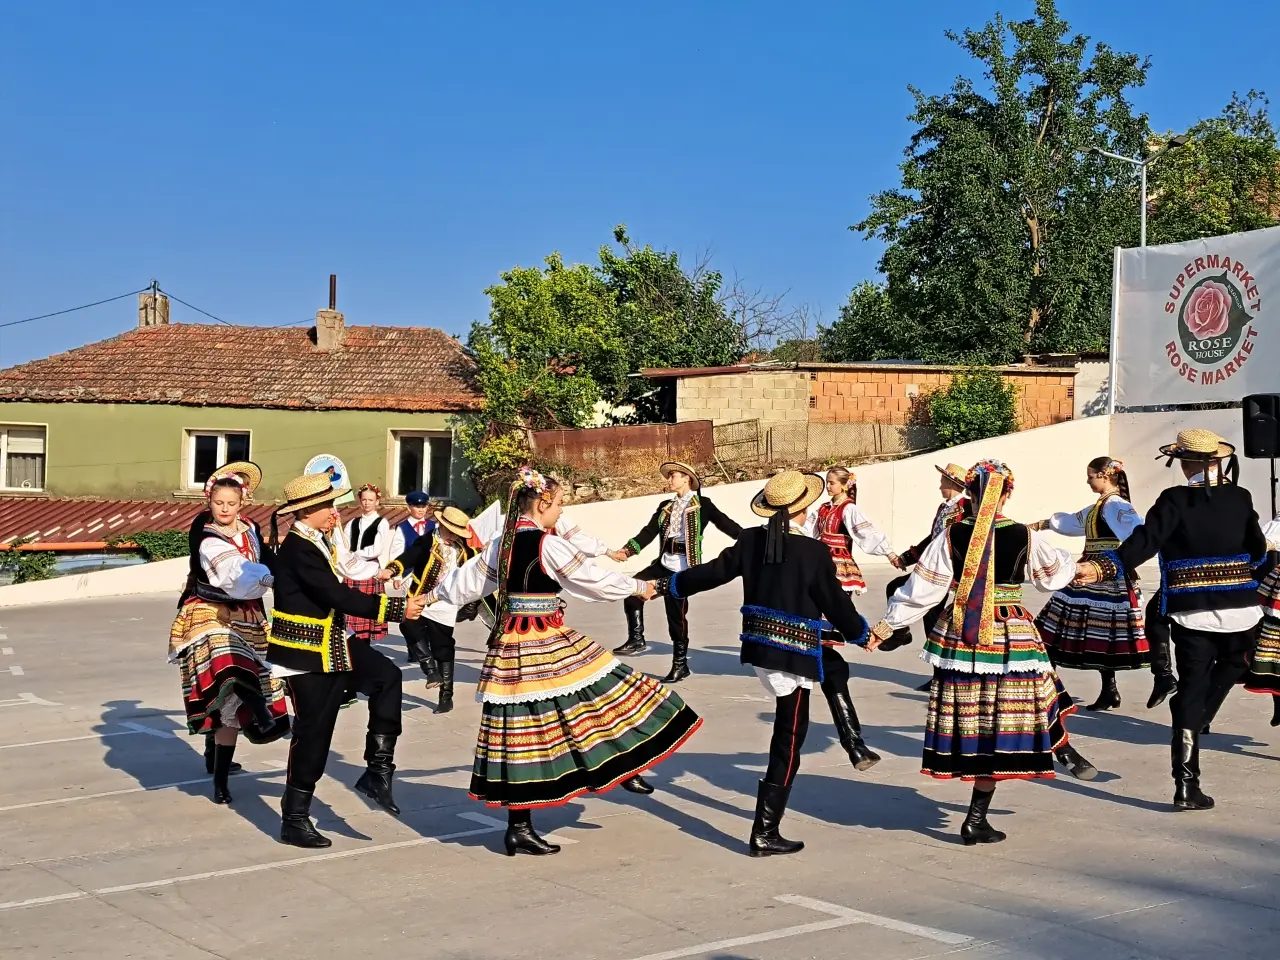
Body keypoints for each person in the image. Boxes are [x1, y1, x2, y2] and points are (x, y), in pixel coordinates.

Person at [425, 468, 702, 857]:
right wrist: (641, 587)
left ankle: (526, 822)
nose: (559, 512)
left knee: (522, 731)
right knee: (606, 692)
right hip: (542, 637)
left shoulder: (501, 545)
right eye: (557, 505)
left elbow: (467, 582)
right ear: (541, 504)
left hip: (512, 643)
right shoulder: (544, 544)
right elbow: (590, 581)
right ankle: (619, 766)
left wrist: (432, 596)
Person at [870, 460, 1097, 845]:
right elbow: (1051, 578)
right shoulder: (1023, 535)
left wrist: (888, 625)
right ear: (1006, 494)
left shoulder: (952, 534)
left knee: (976, 721)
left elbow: (922, 589)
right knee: (1034, 697)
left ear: (970, 494)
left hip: (961, 635)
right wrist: (1083, 568)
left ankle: (989, 807)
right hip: (1010, 630)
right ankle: (1052, 755)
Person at [662, 471, 874, 856]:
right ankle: (764, 831)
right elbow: (834, 602)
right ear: (804, 508)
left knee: (835, 668)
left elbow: (712, 573)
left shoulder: (750, 539)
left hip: (761, 648)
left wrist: (671, 585)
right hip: (792, 656)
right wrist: (862, 634)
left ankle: (854, 744)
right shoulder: (812, 551)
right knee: (789, 740)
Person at [1077, 428, 1265, 811]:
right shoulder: (1241, 497)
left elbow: (1145, 542)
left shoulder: (1173, 500)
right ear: (1216, 460)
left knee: (1191, 689)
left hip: (1190, 610)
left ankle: (1186, 783)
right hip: (1241, 610)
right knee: (1234, 662)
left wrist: (1100, 567)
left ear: (1188, 463)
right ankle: (1198, 712)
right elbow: (1257, 548)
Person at [266, 471, 427, 848]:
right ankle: (294, 817)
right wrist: (397, 608)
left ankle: (378, 769)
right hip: (303, 651)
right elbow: (338, 596)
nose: (335, 512)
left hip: (333, 642)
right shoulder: (298, 549)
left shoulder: (319, 541)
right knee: (314, 732)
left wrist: (401, 566)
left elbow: (350, 575)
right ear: (307, 511)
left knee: (387, 676)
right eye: (328, 506)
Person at [168, 462, 290, 804]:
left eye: (231, 503)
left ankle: (219, 772)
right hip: (208, 610)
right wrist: (266, 578)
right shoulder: (204, 530)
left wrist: (286, 578)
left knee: (233, 702)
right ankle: (265, 719)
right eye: (219, 503)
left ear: (242, 502)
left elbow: (267, 558)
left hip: (248, 612)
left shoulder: (251, 527)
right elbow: (230, 568)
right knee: (229, 666)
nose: (224, 509)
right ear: (210, 501)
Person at [1032, 457, 1149, 711]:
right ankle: (1106, 691)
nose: (1088, 480)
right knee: (1086, 631)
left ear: (1104, 476)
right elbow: (1073, 521)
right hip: (1092, 572)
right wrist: (1039, 525)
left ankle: (1055, 691)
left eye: (1091, 476)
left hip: (1104, 574)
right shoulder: (1101, 505)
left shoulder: (1116, 505)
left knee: (1062, 629)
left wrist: (1128, 554)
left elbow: (1139, 531)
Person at [610, 461, 743, 683]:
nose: (669, 479)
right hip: (663, 562)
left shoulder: (703, 505)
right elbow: (649, 532)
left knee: (676, 617)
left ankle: (680, 665)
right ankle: (637, 638)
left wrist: (751, 541)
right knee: (632, 587)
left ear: (687, 479)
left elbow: (727, 525)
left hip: (684, 567)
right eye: (669, 476)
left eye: (674, 476)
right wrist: (628, 550)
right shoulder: (665, 506)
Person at [380, 505, 475, 713]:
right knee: (407, 625)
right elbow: (409, 557)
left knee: (443, 647)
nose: (453, 536)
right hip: (419, 597)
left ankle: (446, 695)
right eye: (450, 531)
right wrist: (392, 569)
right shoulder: (426, 541)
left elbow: (476, 569)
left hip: (446, 603)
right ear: (441, 525)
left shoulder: (464, 548)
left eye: (457, 533)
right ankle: (430, 669)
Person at [883, 463, 968, 690]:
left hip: (948, 572)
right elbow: (933, 538)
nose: (940, 484)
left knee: (933, 621)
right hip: (933, 570)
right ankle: (902, 634)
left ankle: (941, 675)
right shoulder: (945, 508)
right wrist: (906, 558)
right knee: (901, 591)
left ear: (951, 483)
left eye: (943, 480)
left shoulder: (966, 508)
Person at [806, 466, 899, 594]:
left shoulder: (849, 509)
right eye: (827, 482)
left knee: (837, 604)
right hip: (822, 560)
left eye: (832, 483)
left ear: (844, 485)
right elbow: (807, 529)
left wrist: (890, 553)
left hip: (839, 564)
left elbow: (867, 533)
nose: (827, 486)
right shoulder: (824, 508)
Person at [388, 491, 438, 668]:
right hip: (410, 577)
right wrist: (396, 575)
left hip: (430, 576)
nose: (421, 509)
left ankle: (427, 647)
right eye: (417, 506)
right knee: (411, 614)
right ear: (409, 507)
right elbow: (397, 552)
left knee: (429, 613)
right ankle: (413, 649)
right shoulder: (402, 528)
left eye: (424, 506)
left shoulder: (434, 526)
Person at [342, 484, 394, 646]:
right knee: (351, 604)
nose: (367, 503)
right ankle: (352, 639)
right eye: (364, 499)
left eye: (370, 500)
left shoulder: (381, 523)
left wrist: (356, 555)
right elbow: (344, 543)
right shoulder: (352, 522)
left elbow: (377, 548)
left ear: (377, 501)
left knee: (366, 605)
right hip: (351, 568)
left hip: (369, 568)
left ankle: (364, 642)